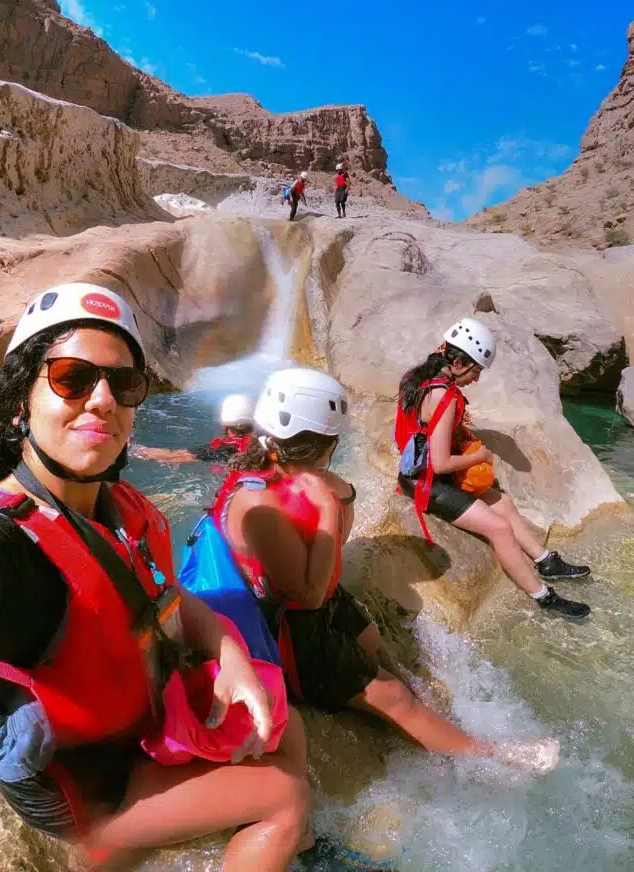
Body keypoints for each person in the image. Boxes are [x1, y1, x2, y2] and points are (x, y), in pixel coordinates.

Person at [0, 283, 310, 870]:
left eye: (122, 384)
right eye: (72, 378)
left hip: (130, 733)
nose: (102, 400)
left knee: (290, 726)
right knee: (284, 796)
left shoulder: (113, 503)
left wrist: (226, 651)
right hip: (85, 790)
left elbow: (163, 599)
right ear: (22, 399)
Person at [209, 367, 559, 771]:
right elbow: (308, 593)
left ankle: (423, 703)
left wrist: (335, 498)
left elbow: (329, 557)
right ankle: (493, 759)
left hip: (309, 603)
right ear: (325, 445)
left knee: (371, 636)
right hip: (289, 634)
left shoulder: (274, 472)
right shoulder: (259, 508)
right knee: (392, 696)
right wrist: (327, 508)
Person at [396, 317, 591, 620]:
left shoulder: (419, 377)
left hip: (427, 473)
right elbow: (442, 462)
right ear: (459, 362)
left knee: (504, 502)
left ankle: (546, 561)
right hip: (428, 483)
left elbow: (423, 431)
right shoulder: (445, 397)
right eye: (476, 371)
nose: (476, 379)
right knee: (499, 530)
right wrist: (480, 456)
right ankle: (544, 597)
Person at [133, 394, 254, 467]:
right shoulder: (262, 442)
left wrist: (136, 450)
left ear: (225, 425)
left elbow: (173, 456)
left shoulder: (225, 448)